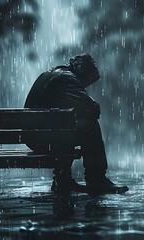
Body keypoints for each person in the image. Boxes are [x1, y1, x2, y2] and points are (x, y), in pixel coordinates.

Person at [24, 53, 128, 195]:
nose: (86, 85)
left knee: (68, 127)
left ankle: (63, 180)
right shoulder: (67, 78)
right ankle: (97, 181)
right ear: (83, 70)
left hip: (36, 137)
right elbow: (92, 108)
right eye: (88, 80)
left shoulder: (54, 74)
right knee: (90, 126)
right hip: (42, 139)